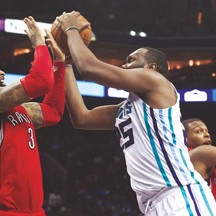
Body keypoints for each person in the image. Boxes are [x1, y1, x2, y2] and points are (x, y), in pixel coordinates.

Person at [57, 11, 216, 215]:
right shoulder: (126, 109)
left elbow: (89, 68)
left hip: (181, 195)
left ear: (150, 68)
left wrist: (71, 30)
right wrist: (66, 64)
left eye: (131, 60)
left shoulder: (157, 82)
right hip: (154, 204)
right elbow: (81, 118)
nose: (124, 65)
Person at [0, 16, 67, 216]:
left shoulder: (19, 110)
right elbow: (40, 81)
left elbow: (54, 111)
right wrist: (38, 43)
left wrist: (59, 63)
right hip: (1, 211)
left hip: (34, 211)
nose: (1, 72)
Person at [183, 118, 216, 200]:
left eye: (206, 131)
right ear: (184, 137)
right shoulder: (192, 155)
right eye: (198, 131)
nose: (207, 135)